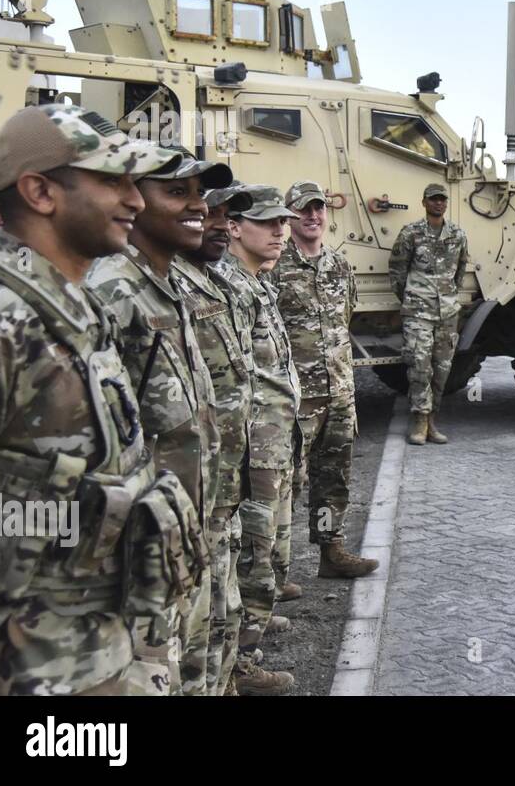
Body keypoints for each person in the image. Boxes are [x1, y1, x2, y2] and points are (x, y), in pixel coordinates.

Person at [0, 103, 183, 695]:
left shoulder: (73, 309)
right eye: (111, 181)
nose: (136, 200)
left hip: (95, 652)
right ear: (40, 191)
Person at [86, 149, 231, 696]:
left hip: (185, 523)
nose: (198, 206)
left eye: (199, 193)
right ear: (132, 199)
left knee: (191, 662)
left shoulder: (166, 283)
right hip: (142, 547)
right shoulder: (111, 290)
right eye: (177, 192)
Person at [268, 180, 376, 581]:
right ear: (290, 217)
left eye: (319, 209)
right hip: (297, 398)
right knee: (286, 484)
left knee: (333, 478)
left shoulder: (340, 264)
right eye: (303, 210)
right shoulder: (276, 268)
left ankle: (331, 553)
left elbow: (344, 320)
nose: (313, 216)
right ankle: (274, 573)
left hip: (340, 392)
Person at [170, 183, 254, 695]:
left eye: (226, 215)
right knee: (189, 631)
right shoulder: (151, 285)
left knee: (219, 610)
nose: (218, 222)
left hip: (219, 482)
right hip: (183, 500)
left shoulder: (209, 280)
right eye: (209, 212)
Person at [223, 184, 302, 694]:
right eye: (268, 222)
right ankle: (240, 661)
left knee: (268, 544)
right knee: (254, 548)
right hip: (255, 443)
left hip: (275, 435)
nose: (281, 231)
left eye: (283, 222)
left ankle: (255, 617)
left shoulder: (257, 282)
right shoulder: (230, 287)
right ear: (234, 228)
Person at [388, 183, 471, 446]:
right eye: (433, 199)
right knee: (419, 367)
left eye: (442, 200)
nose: (438, 203)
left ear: (446, 204)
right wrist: (412, 297)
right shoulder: (411, 233)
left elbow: (460, 270)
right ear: (424, 202)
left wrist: (447, 296)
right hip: (418, 311)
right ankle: (419, 419)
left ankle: (433, 420)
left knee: (442, 370)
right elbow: (397, 269)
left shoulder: (457, 234)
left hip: (447, 312)